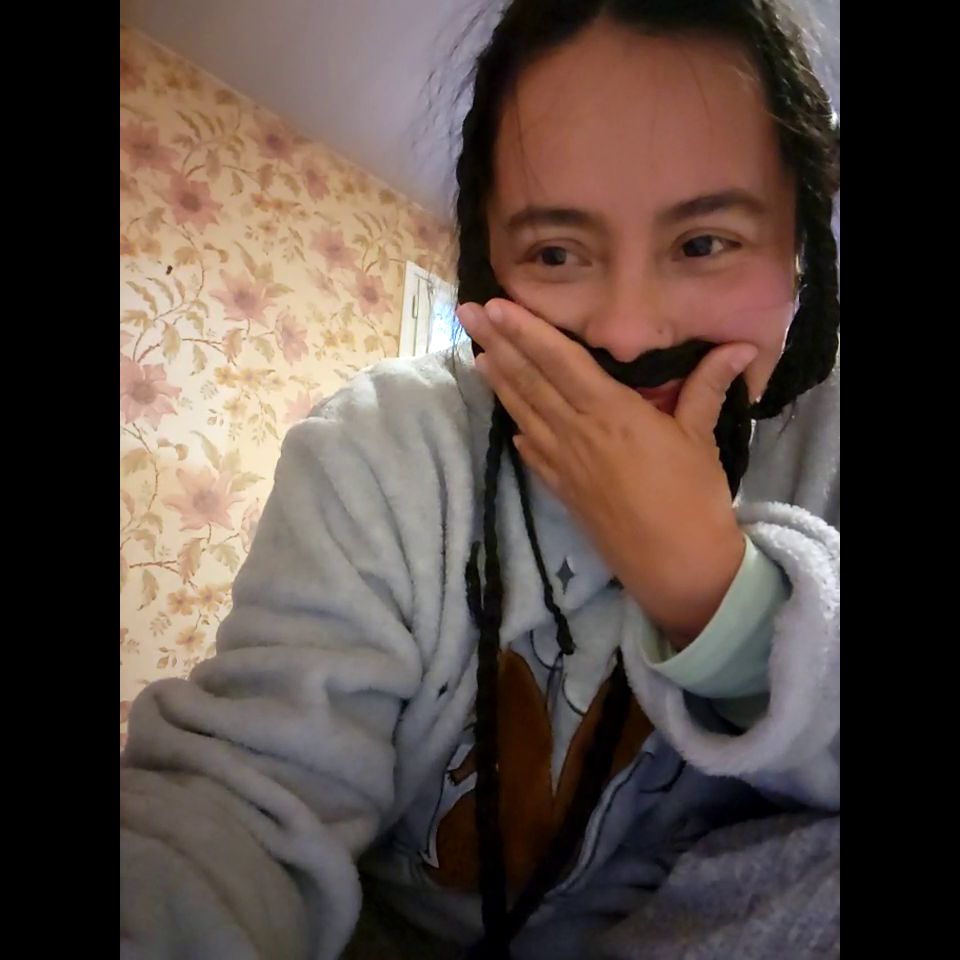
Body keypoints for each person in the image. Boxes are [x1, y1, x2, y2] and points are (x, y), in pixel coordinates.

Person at [120, 2, 840, 958]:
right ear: (486, 264)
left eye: (704, 243)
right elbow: (242, 803)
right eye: (556, 253)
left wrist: (717, 592)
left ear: (801, 250)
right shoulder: (383, 449)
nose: (629, 334)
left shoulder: (827, 446)